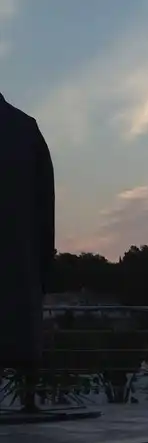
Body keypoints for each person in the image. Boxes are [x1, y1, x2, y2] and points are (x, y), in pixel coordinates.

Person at [0, 91, 55, 413]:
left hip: (22, 248)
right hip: (22, 251)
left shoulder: (25, 129)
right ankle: (29, 398)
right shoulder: (25, 128)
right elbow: (44, 202)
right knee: (21, 324)